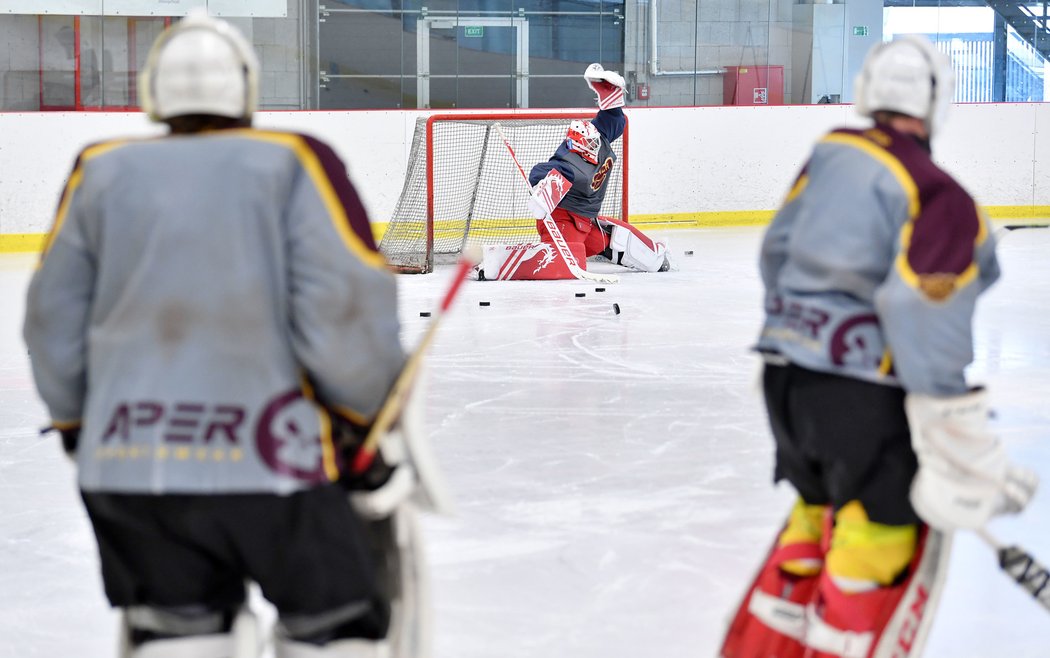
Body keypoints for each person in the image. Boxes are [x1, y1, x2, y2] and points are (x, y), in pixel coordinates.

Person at [23, 12, 429, 658]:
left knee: (175, 632)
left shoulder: (97, 170)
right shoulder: (295, 162)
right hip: (278, 469)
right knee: (336, 628)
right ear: (245, 88)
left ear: (157, 89)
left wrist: (79, 427)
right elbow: (346, 315)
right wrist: (366, 425)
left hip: (131, 471)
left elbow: (50, 322)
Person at [720, 35, 1038, 657]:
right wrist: (951, 419)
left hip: (784, 383)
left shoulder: (829, 153)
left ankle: (782, 621)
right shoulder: (938, 193)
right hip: (858, 400)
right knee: (875, 543)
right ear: (937, 103)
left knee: (816, 516)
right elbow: (922, 305)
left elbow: (774, 254)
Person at [475, 63, 669, 281]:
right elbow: (540, 172)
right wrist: (541, 187)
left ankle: (657, 257)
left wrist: (609, 93)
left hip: (586, 219)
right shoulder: (568, 161)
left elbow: (615, 120)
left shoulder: (598, 137)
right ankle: (498, 263)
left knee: (615, 240)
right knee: (562, 265)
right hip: (563, 222)